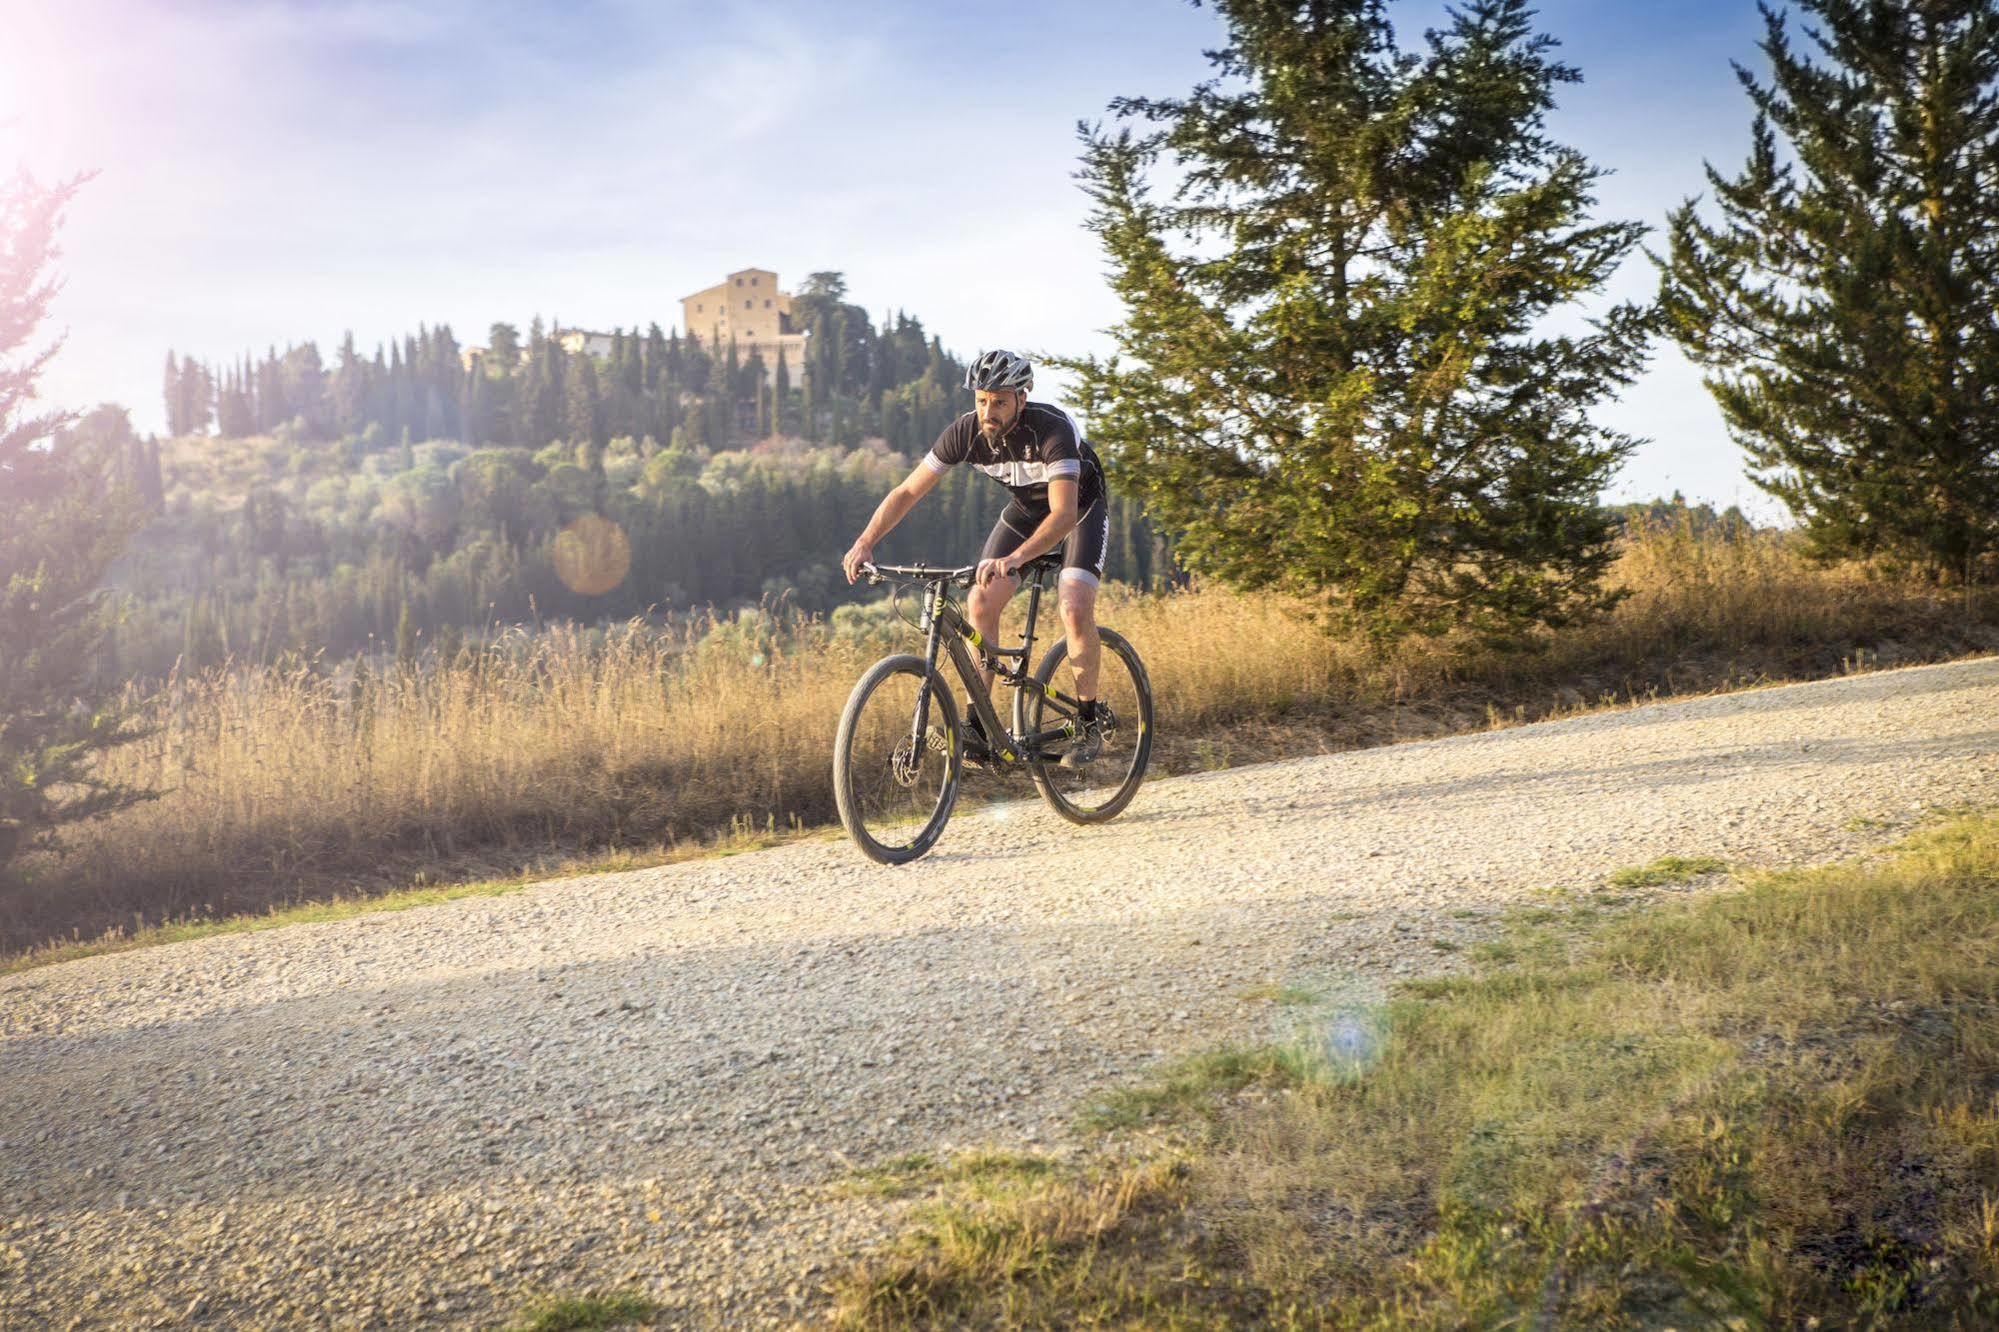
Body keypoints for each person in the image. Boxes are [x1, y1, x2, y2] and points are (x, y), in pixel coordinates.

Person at [842, 348, 1110, 768]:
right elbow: (908, 491)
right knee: (980, 601)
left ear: (1023, 397)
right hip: (1026, 510)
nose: (989, 411)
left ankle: (1089, 721)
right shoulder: (965, 433)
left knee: (1074, 607)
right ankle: (979, 727)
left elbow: (1062, 515)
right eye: (982, 400)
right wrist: (865, 541)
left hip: (1078, 509)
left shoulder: (1051, 429)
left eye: (1000, 401)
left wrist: (1016, 559)